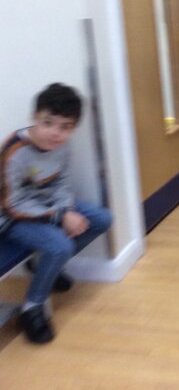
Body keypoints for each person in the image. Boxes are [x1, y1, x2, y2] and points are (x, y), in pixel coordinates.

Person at [0, 83, 112, 343]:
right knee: (61, 246)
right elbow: (11, 205)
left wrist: (65, 210)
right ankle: (32, 307)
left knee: (102, 219)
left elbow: (61, 184)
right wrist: (60, 217)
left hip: (45, 205)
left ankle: (43, 266)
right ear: (34, 117)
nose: (55, 133)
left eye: (65, 127)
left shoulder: (61, 146)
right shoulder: (14, 151)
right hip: (11, 216)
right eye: (48, 123)